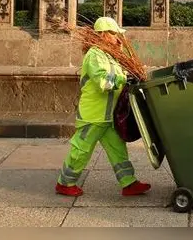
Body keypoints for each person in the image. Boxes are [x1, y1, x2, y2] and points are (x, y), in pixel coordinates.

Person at [55, 16, 152, 198]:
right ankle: (65, 183)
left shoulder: (109, 55)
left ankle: (128, 183)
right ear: (104, 35)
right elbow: (103, 81)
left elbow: (118, 76)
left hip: (108, 116)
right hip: (94, 115)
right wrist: (124, 78)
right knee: (81, 150)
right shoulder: (95, 55)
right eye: (115, 34)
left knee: (118, 150)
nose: (118, 38)